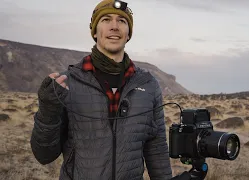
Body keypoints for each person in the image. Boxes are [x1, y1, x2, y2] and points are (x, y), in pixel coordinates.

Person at [29, 0, 173, 179]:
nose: (114, 26)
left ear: (128, 34)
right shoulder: (68, 82)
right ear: (95, 32)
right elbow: (44, 155)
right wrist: (48, 110)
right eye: (106, 20)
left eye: (122, 21)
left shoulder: (148, 84)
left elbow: (157, 150)